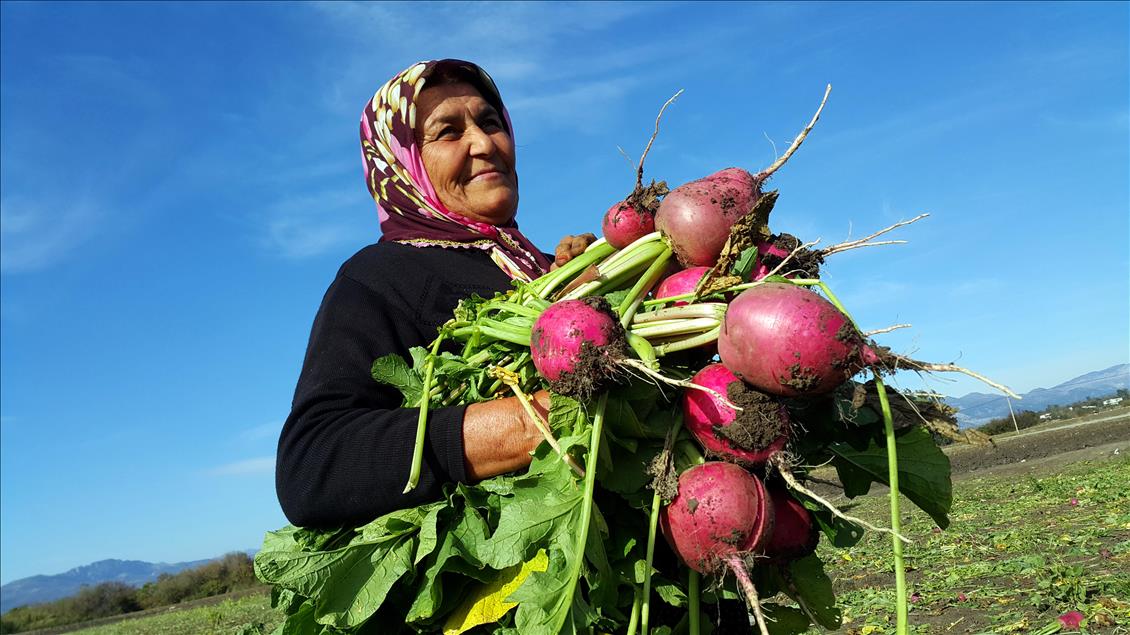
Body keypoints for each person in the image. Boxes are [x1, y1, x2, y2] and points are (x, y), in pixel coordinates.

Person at [276, 59, 595, 529]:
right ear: (403, 161)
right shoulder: (380, 277)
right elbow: (313, 465)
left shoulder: (545, 267)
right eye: (448, 132)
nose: (485, 144)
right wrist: (537, 420)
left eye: (491, 123)